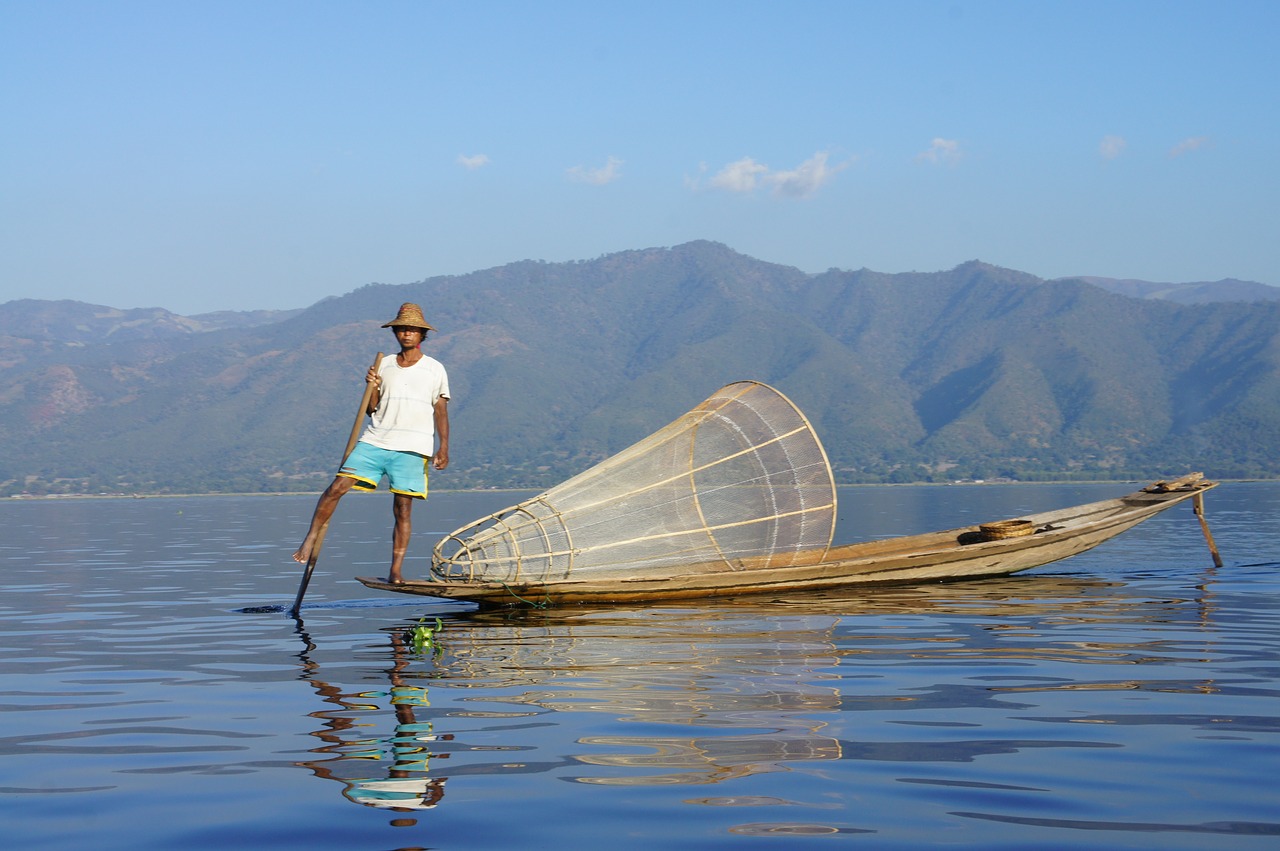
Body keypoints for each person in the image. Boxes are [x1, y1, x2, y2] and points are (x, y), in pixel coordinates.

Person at [292, 303, 451, 584]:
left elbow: (440, 410)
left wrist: (444, 447)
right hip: (376, 439)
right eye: (402, 329)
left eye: (413, 329)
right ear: (395, 332)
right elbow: (372, 409)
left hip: (413, 447)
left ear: (422, 334)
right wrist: (372, 386)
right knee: (336, 488)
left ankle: (395, 570)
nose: (407, 333)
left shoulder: (435, 369)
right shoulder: (384, 364)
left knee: (402, 508)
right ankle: (310, 538)